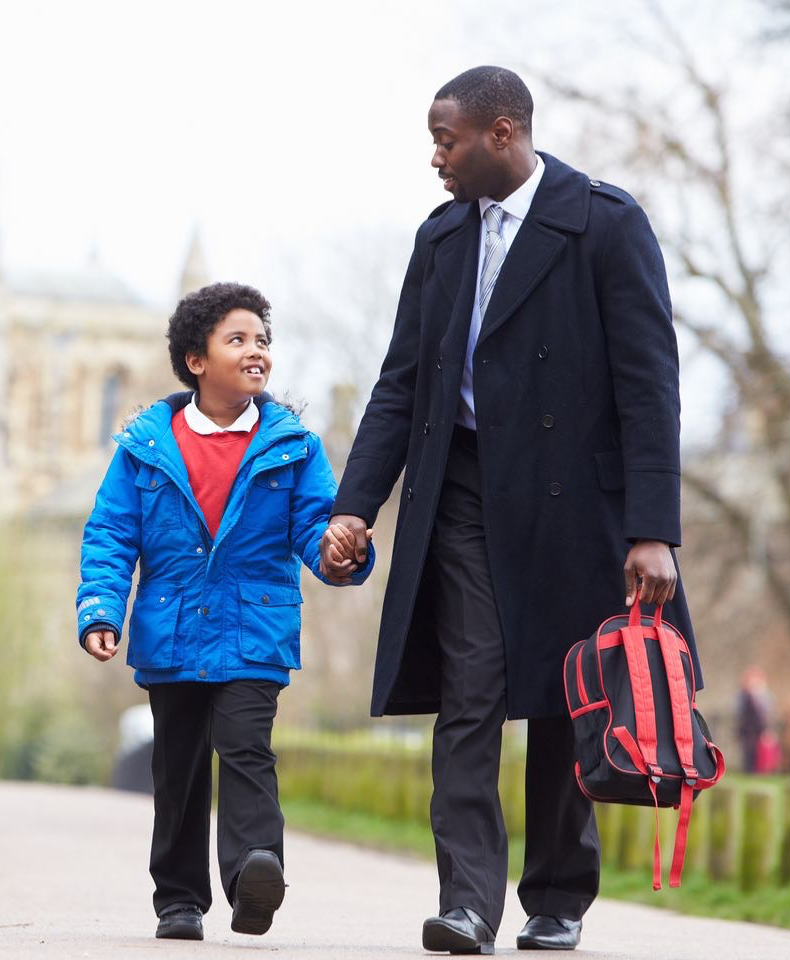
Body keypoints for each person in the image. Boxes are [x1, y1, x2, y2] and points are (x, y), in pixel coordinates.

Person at [321, 65, 699, 954]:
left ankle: (558, 899)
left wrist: (653, 529)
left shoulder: (604, 223)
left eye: (445, 139)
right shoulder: (442, 237)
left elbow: (651, 387)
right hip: (459, 491)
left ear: (501, 134)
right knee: (470, 691)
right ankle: (466, 905)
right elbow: (402, 382)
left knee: (569, 697)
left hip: (573, 504)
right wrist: (355, 506)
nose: (434, 157)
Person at [77, 282, 373, 942]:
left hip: (254, 627)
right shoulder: (143, 446)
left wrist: (338, 552)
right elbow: (110, 534)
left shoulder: (294, 446)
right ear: (195, 361)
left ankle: (253, 874)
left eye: (263, 340)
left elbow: (316, 531)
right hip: (171, 630)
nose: (255, 351)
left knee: (245, 747)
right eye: (236, 339)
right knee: (176, 765)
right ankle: (179, 898)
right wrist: (100, 610)